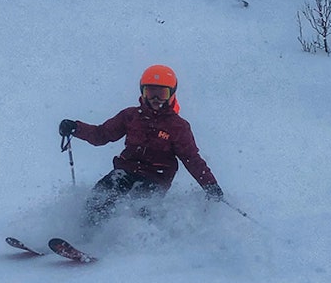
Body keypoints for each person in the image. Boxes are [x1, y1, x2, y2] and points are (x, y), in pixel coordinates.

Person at [58, 64, 224, 226]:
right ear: (142, 92)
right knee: (103, 192)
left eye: (162, 93)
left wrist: (210, 185)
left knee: (139, 203)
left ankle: (138, 246)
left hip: (156, 177)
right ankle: (87, 232)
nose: (156, 99)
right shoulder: (131, 116)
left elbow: (191, 158)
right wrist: (76, 128)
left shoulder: (178, 126)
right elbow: (102, 135)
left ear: (172, 95)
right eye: (150, 92)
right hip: (127, 170)